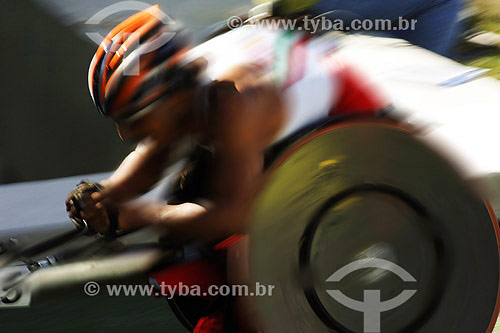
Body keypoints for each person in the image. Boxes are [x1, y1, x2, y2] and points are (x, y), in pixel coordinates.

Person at [67, 4, 388, 331]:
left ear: (170, 97)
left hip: (354, 121)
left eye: (131, 119)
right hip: (285, 100)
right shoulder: (184, 89)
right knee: (188, 193)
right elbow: (153, 153)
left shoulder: (233, 103)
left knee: (243, 268)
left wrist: (137, 215)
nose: (125, 134)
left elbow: (233, 216)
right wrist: (106, 194)